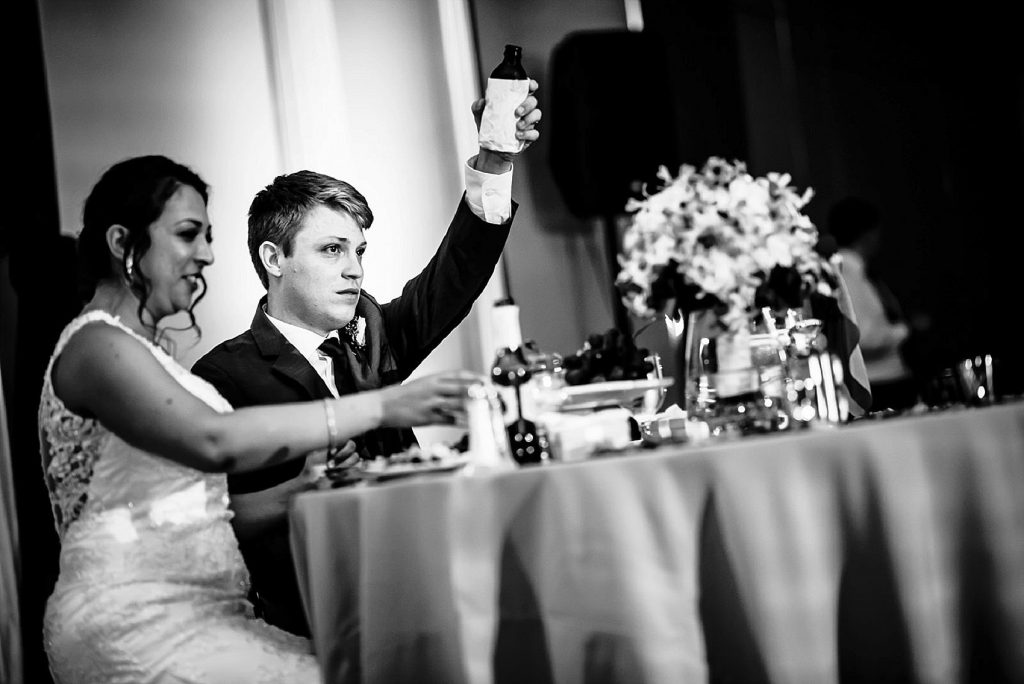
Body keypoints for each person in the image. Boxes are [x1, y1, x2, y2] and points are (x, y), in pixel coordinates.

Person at [38, 155, 478, 683]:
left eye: (206, 235)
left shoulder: (143, 352)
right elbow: (215, 440)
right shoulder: (98, 345)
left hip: (216, 611)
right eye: (187, 234)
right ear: (121, 243)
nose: (206, 254)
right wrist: (378, 407)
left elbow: (198, 508)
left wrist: (305, 484)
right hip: (141, 621)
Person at [191, 82, 542, 637]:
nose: (354, 269)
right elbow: (215, 525)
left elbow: (454, 278)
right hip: (319, 618)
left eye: (359, 251)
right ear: (273, 258)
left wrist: (494, 160)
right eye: (332, 250)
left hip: (433, 584)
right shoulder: (224, 376)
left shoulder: (374, 327)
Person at [826, 196, 920, 412]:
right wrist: (905, 330)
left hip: (887, 378)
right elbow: (861, 336)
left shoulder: (859, 272)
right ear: (868, 234)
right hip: (879, 382)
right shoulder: (846, 275)